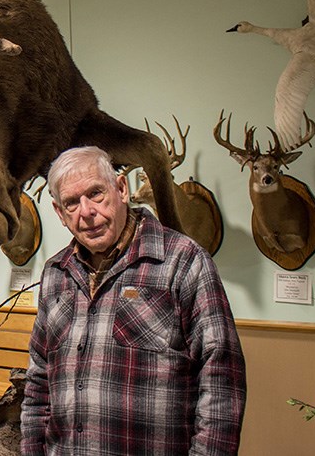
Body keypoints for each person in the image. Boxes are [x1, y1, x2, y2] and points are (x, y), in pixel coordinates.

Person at [21, 146, 246, 455]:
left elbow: (221, 383)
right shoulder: (55, 274)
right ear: (59, 213)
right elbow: (38, 383)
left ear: (122, 189)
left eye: (96, 194)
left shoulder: (183, 261)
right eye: (72, 203)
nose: (86, 211)